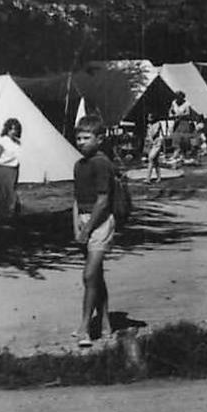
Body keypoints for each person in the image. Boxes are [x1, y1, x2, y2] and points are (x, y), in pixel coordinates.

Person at [72, 115, 115, 348]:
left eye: (87, 138)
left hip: (100, 222)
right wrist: (77, 226)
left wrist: (88, 229)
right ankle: (106, 321)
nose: (81, 142)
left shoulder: (101, 163)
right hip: (85, 221)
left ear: (99, 139)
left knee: (88, 275)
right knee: (96, 275)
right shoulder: (79, 165)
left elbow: (103, 200)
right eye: (78, 138)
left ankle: (85, 326)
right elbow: (76, 198)